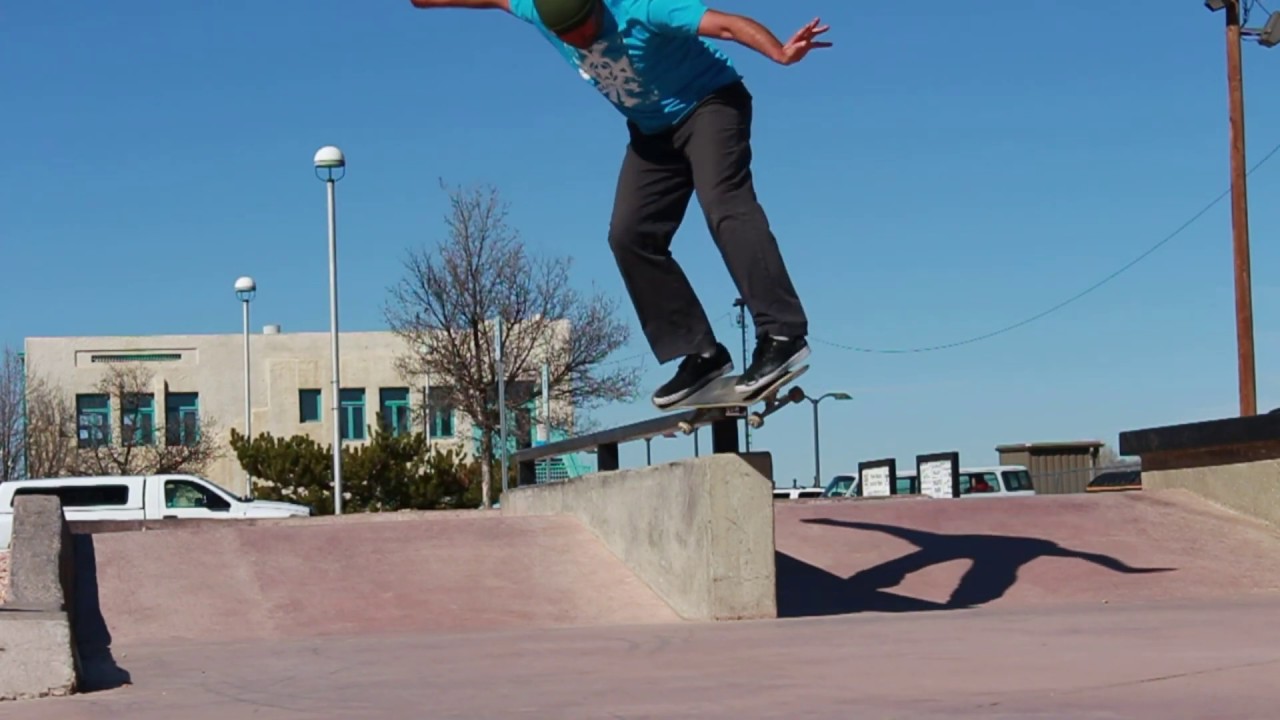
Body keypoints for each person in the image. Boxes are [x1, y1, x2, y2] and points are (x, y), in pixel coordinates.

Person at [409, 0, 829, 407]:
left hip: (710, 104)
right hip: (653, 135)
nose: (580, 41)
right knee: (628, 234)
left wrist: (779, 51)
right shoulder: (534, 7)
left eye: (585, 30)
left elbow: (727, 25)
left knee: (723, 203)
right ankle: (701, 354)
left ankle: (782, 335)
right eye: (567, 36)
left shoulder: (641, 7)